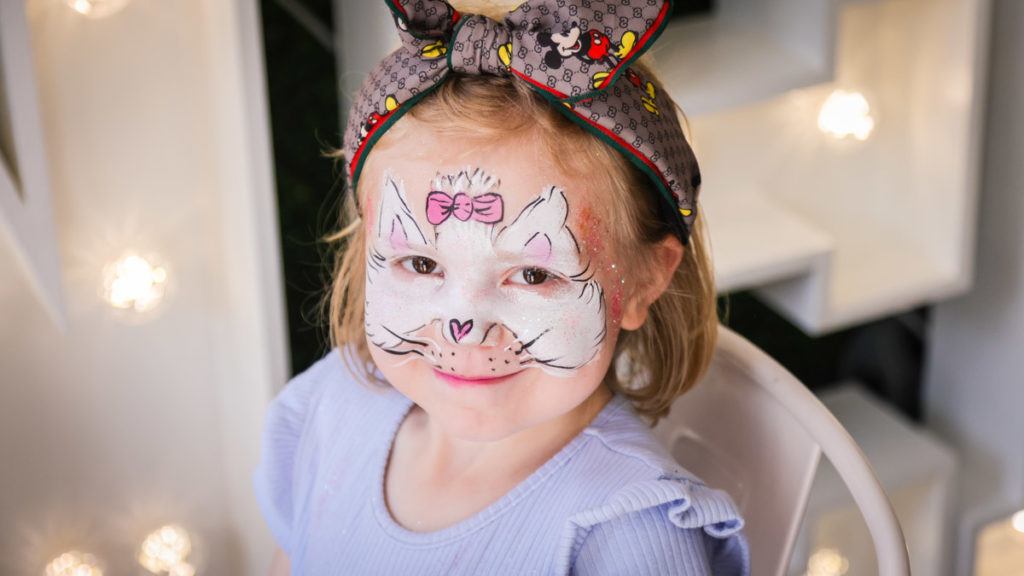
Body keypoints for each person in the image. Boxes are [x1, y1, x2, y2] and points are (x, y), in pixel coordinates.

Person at [255, 0, 749, 574]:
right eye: (421, 263)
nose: (464, 325)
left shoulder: (628, 537)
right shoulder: (328, 411)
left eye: (533, 274)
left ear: (646, 279)